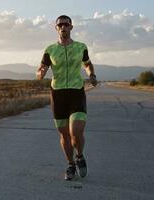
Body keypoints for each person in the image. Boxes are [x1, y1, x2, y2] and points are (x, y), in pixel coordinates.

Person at [37, 15, 97, 180]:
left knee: (75, 131)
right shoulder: (50, 50)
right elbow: (41, 67)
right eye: (60, 25)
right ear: (56, 28)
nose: (63, 27)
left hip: (76, 92)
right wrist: (40, 73)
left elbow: (87, 63)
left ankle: (80, 156)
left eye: (66, 24)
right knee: (64, 134)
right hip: (58, 94)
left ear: (71, 27)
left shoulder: (80, 47)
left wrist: (91, 74)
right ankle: (71, 164)